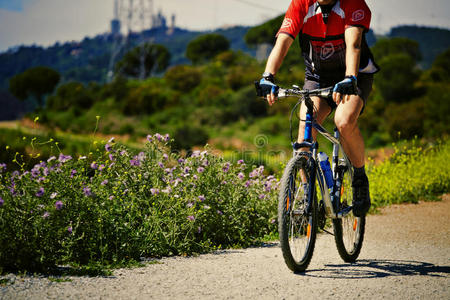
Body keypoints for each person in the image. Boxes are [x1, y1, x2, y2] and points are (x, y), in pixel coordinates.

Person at [258, 0, 379, 217]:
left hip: (354, 76)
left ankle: (360, 178)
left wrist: (350, 77)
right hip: (318, 78)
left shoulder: (352, 3)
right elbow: (283, 42)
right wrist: (268, 76)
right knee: (306, 126)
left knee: (343, 121)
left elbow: (354, 44)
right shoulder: (301, 4)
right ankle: (307, 195)